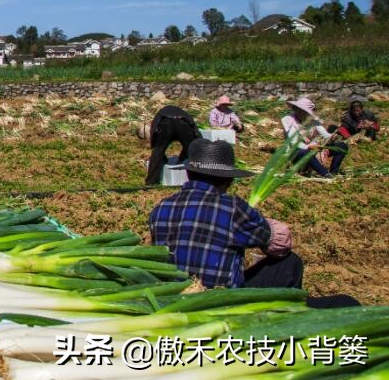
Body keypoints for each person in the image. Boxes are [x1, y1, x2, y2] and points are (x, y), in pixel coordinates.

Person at [150, 139, 303, 289]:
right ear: (228, 180)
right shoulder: (233, 208)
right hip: (218, 300)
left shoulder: (161, 207)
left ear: (188, 174)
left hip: (172, 296)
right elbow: (279, 246)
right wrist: (263, 223)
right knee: (290, 263)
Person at [282, 97, 347, 178]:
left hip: (313, 149)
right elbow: (293, 142)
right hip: (297, 151)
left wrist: (333, 136)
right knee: (305, 153)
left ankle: (334, 172)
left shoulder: (313, 121)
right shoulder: (289, 121)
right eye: (299, 110)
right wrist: (308, 146)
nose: (300, 113)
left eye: (304, 111)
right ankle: (325, 174)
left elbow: (325, 135)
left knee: (342, 146)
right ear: (296, 109)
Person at [145, 105, 201, 185]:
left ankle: (151, 181)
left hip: (165, 124)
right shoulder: (184, 114)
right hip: (183, 124)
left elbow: (154, 134)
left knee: (159, 151)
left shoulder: (159, 115)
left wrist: (156, 150)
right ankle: (198, 179)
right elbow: (194, 131)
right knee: (191, 148)